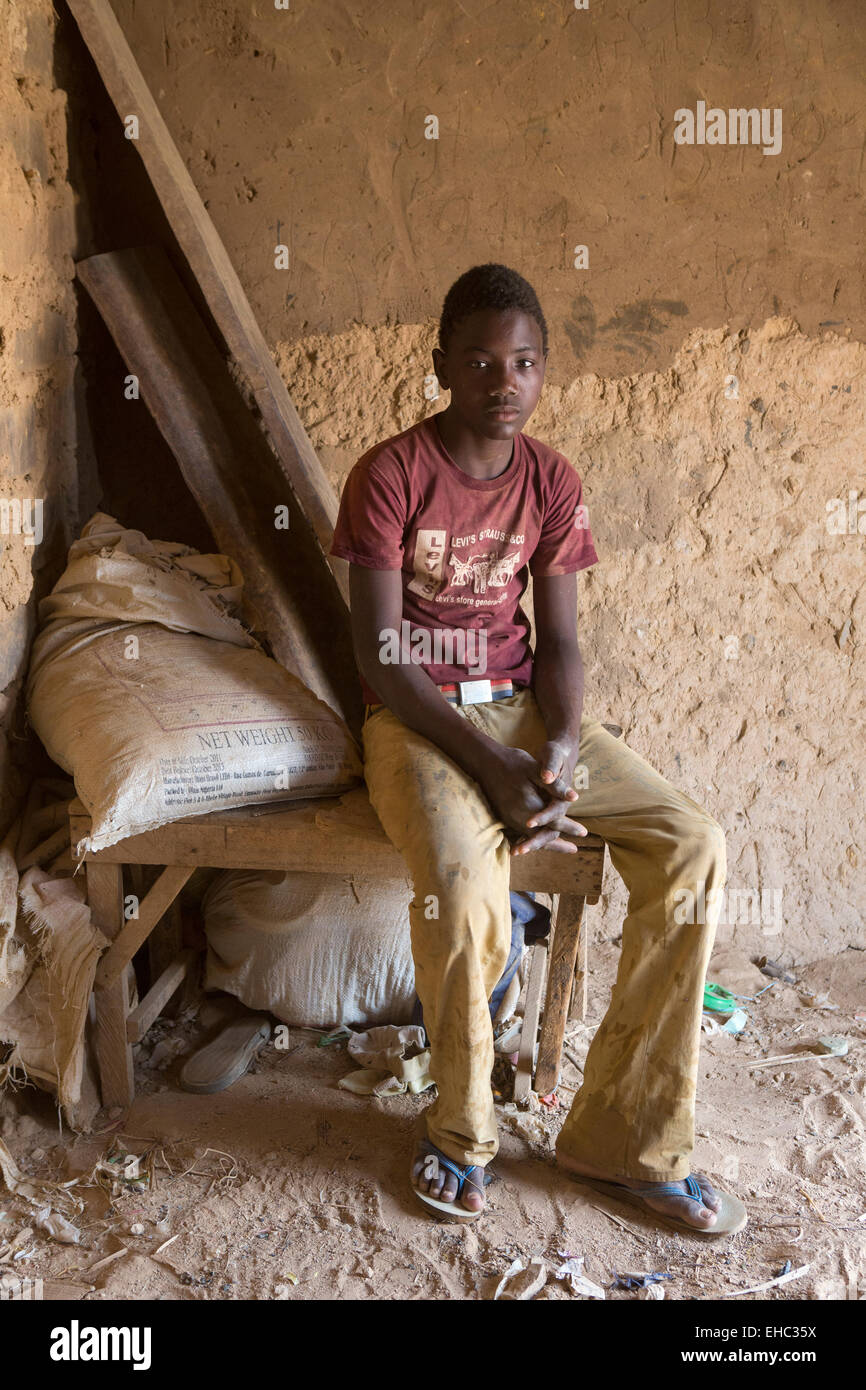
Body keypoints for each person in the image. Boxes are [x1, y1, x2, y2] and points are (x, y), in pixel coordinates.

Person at [329, 264, 746, 1235]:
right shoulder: (390, 474)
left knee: (691, 844)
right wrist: (490, 766)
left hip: (523, 714)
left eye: (523, 362)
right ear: (441, 364)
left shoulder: (552, 480)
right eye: (479, 361)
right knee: (460, 878)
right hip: (418, 723)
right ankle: (459, 1133)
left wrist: (555, 750)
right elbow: (382, 656)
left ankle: (624, 1141)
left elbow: (558, 644)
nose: (503, 381)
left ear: (544, 370)